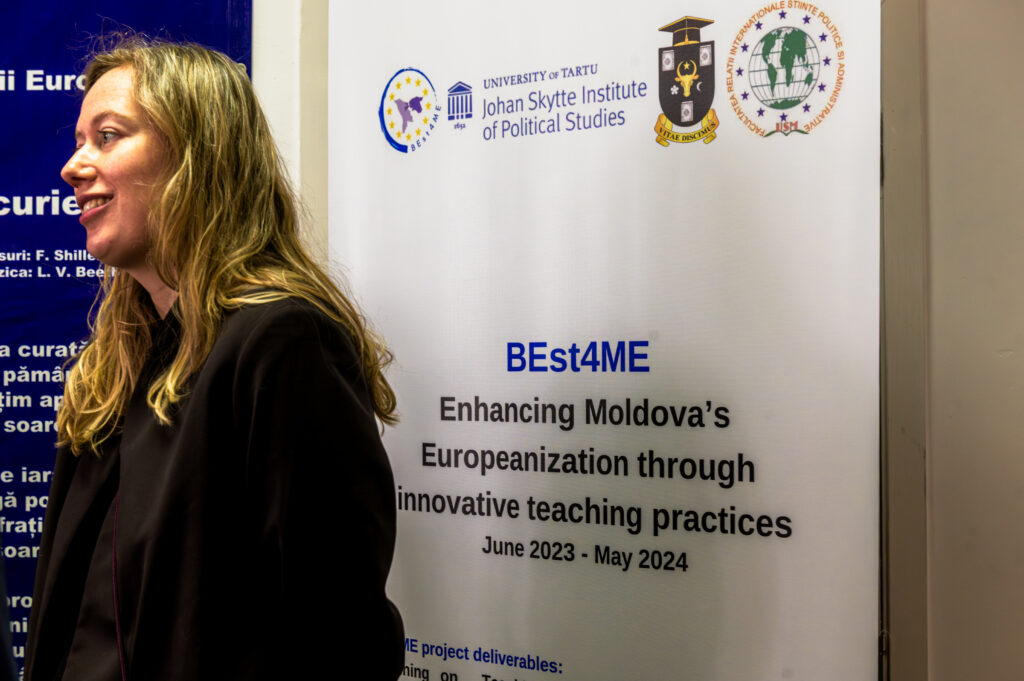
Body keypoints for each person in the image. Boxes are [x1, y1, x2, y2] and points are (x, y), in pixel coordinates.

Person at [24, 37, 404, 680]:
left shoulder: (281, 344)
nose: (73, 165)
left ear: (195, 156)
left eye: (108, 136)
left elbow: (338, 637)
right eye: (79, 138)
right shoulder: (116, 367)